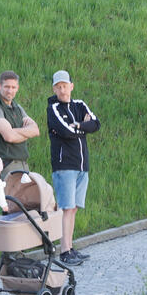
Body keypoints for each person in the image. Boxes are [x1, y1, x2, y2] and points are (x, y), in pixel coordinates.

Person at [47, 70, 100, 266]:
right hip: (65, 165)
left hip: (81, 164)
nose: (62, 90)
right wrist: (81, 125)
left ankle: (70, 247)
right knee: (65, 208)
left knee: (74, 208)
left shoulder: (79, 105)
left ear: (71, 85)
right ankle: (64, 251)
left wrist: (78, 124)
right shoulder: (53, 108)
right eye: (58, 87)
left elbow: (96, 123)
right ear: (54, 88)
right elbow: (65, 130)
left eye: (65, 85)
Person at [0, 70, 40, 178]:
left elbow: (36, 131)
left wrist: (13, 131)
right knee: (7, 195)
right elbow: (9, 137)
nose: (10, 91)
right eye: (6, 87)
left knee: (23, 196)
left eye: (13, 87)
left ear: (17, 88)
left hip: (23, 164)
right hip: (6, 165)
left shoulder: (18, 108)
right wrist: (24, 133)